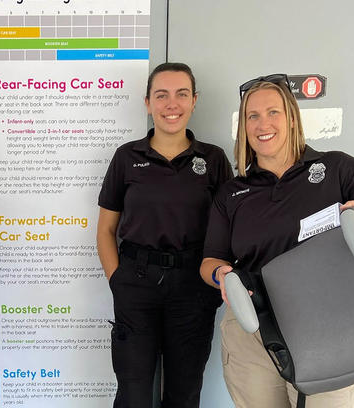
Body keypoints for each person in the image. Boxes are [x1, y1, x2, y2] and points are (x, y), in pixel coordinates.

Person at [200, 74, 354, 408]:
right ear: (244, 126)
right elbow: (210, 261)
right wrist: (222, 276)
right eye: (253, 115)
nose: (264, 123)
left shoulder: (336, 168)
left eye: (273, 112)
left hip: (331, 325)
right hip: (254, 329)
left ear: (292, 118)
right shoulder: (232, 193)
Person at [96, 62, 233, 408]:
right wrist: (118, 281)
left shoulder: (213, 159)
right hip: (136, 284)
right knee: (134, 392)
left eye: (181, 94)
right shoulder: (127, 157)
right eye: (162, 95)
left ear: (194, 100)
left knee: (184, 393)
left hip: (194, 287)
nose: (172, 104)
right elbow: (106, 229)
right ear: (148, 103)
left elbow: (230, 227)